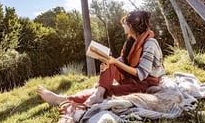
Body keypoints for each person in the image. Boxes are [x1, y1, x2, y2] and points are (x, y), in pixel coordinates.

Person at [38, 10, 166, 107]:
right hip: (131, 78)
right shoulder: (131, 41)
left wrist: (114, 62)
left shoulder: (150, 43)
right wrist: (109, 61)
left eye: (125, 23)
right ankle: (98, 93)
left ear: (132, 26)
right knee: (107, 65)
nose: (123, 25)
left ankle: (63, 99)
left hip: (145, 83)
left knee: (108, 90)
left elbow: (141, 74)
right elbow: (123, 61)